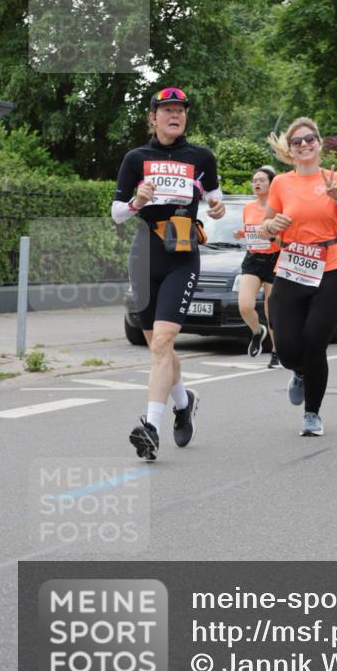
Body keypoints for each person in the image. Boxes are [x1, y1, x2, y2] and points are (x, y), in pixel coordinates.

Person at [112, 87, 225, 461]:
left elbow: (214, 199)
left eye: (180, 110)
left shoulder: (202, 157)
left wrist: (218, 207)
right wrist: (136, 202)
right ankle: (184, 401)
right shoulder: (135, 158)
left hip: (181, 253)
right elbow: (117, 213)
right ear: (152, 117)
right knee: (157, 345)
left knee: (163, 343)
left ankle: (151, 428)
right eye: (167, 110)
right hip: (145, 252)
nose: (175, 115)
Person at [259, 118, 337, 436]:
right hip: (291, 267)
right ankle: (300, 373)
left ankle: (312, 414)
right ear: (290, 151)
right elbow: (266, 228)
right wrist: (271, 228)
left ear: (319, 143)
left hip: (329, 268)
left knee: (315, 341)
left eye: (310, 139)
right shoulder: (280, 184)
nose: (304, 144)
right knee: (288, 348)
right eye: (297, 141)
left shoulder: (336, 179)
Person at [233, 165, 281, 367]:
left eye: (262, 180)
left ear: (272, 184)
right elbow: (249, 230)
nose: (257, 183)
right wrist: (241, 234)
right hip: (253, 259)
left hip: (274, 259)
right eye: (254, 180)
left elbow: (284, 239)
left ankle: (276, 353)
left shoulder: (279, 208)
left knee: (272, 312)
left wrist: (271, 237)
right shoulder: (248, 207)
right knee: (244, 305)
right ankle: (256, 331)